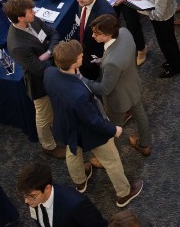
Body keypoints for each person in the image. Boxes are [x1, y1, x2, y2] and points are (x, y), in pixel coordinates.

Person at [43, 41, 144, 209]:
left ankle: (80, 183)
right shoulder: (78, 95)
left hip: (67, 125)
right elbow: (93, 121)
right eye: (80, 56)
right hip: (89, 131)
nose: (83, 56)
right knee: (111, 160)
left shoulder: (49, 73)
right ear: (74, 62)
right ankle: (124, 193)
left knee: (73, 152)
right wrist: (114, 129)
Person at [3, 0, 65, 160]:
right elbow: (38, 69)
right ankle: (48, 146)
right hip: (39, 83)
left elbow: (53, 33)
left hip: (52, 67)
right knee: (44, 115)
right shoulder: (16, 44)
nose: (34, 13)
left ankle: (59, 130)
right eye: (30, 12)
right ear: (20, 18)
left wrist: (49, 52)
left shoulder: (33, 20)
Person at [83, 15, 152, 157]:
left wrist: (81, 79)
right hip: (133, 86)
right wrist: (102, 61)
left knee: (113, 129)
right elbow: (120, 58)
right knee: (140, 115)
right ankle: (145, 145)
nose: (93, 36)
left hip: (118, 99)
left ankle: (114, 156)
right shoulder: (124, 32)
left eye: (96, 33)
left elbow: (104, 89)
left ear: (107, 34)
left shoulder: (112, 63)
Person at [17, 161, 106, 227]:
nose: (26, 201)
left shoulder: (76, 204)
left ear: (47, 188)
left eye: (31, 196)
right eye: (24, 196)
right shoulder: (33, 198)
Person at [71, 0, 115, 82]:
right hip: (84, 49)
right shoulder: (82, 2)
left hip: (95, 55)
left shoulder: (105, 14)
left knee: (92, 79)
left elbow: (110, 40)